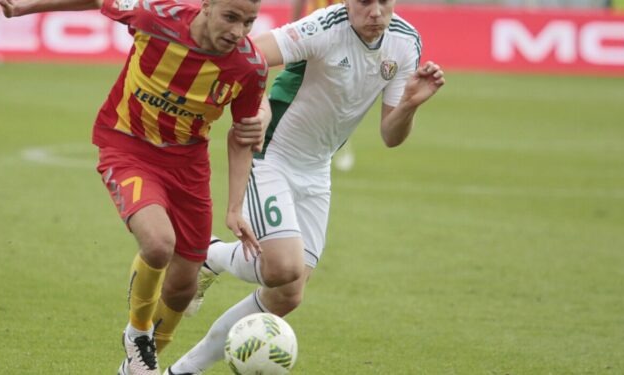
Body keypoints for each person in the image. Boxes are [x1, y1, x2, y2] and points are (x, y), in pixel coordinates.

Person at [0, 0, 271, 373]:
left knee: (183, 287)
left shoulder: (249, 66)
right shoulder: (155, 16)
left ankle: (135, 365)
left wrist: (234, 208)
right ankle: (137, 335)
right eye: (230, 17)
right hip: (127, 145)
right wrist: (25, 8)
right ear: (206, 6)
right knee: (158, 244)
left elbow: (242, 135)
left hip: (189, 165)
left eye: (248, 22)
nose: (238, 31)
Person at [167, 0, 445, 373]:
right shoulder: (323, 27)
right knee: (283, 268)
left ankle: (183, 370)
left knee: (288, 292)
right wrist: (258, 109)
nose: (376, 12)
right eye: (365, 2)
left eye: (385, 2)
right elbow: (248, 53)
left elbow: (390, 136)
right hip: (273, 155)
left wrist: (409, 105)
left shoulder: (405, 42)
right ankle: (210, 254)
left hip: (317, 170)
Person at [292, 0, 356, 172]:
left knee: (332, 91)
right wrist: (294, 25)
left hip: (338, 33)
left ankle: (326, 143)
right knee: (312, 89)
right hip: (315, 31)